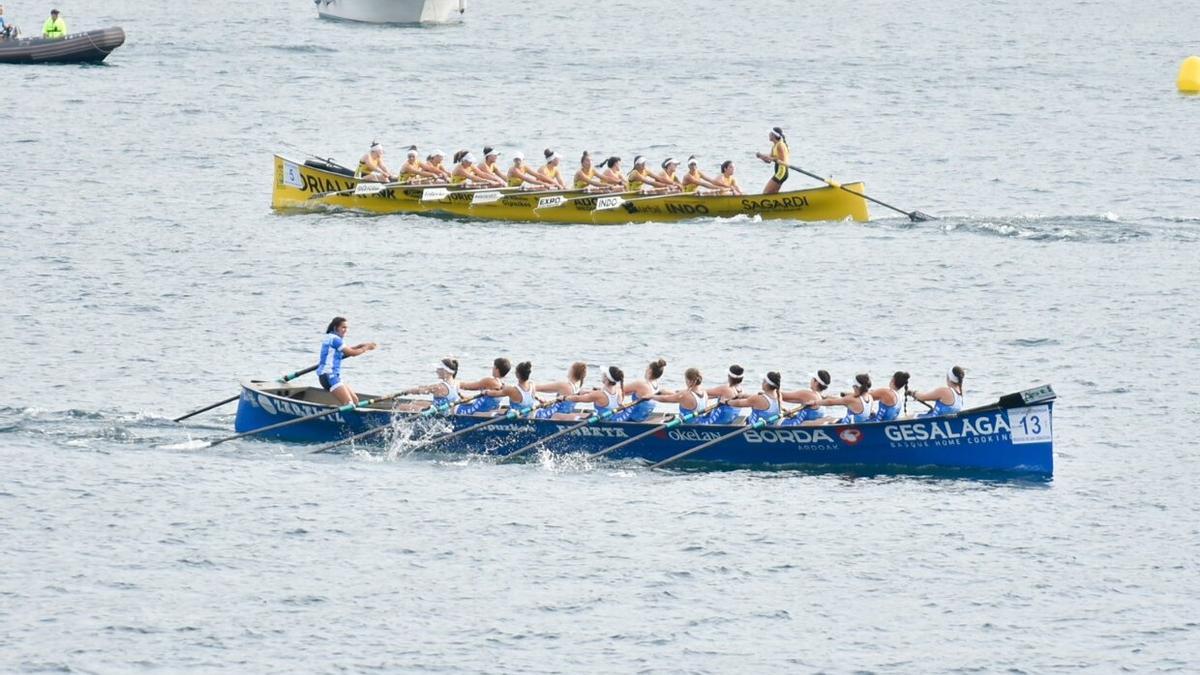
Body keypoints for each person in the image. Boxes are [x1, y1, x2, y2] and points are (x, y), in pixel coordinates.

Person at [316, 317, 378, 405]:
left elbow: (344, 352)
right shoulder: (335, 340)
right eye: (343, 327)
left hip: (330, 375)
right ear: (335, 328)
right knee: (349, 404)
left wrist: (359, 346)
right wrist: (366, 348)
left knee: (355, 400)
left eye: (346, 328)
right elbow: (352, 353)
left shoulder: (330, 337)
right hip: (329, 375)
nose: (345, 330)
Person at [397, 358, 462, 411]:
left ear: (445, 371)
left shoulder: (439, 387)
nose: (436, 371)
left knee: (401, 406)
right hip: (445, 408)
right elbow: (426, 388)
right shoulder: (457, 383)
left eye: (438, 369)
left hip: (439, 413)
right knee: (415, 402)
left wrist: (405, 392)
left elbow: (419, 391)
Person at [808, 374, 873, 425]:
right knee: (828, 418)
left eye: (853, 386)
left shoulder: (852, 399)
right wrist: (825, 397)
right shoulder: (870, 397)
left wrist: (815, 402)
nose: (852, 387)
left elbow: (830, 402)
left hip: (847, 426)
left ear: (856, 387)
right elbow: (843, 401)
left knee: (814, 422)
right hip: (857, 424)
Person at [755, 127, 790, 194]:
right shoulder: (774, 146)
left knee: (765, 193)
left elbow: (782, 160)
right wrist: (761, 157)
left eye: (770, 133)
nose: (769, 135)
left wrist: (770, 158)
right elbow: (769, 161)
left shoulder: (780, 145)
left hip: (781, 173)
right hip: (779, 172)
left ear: (774, 135)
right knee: (772, 193)